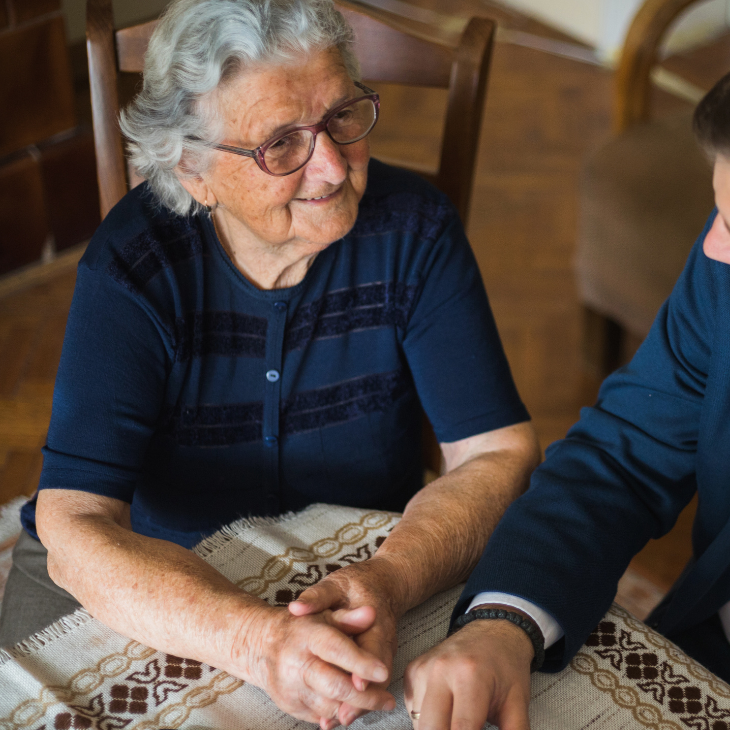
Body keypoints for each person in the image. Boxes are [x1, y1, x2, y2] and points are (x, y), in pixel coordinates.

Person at [0, 0, 541, 727]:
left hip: (360, 570)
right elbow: (74, 524)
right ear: (194, 172)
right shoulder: (136, 265)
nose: (331, 164)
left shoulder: (415, 229)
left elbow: (499, 452)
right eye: (280, 144)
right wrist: (254, 641)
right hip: (167, 583)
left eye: (343, 117)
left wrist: (390, 576)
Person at [403, 70, 730, 730]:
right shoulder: (723, 255)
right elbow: (623, 455)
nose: (714, 249)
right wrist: (506, 620)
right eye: (722, 208)